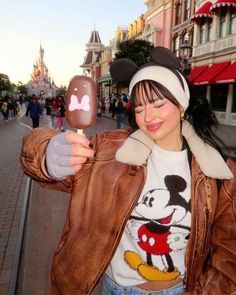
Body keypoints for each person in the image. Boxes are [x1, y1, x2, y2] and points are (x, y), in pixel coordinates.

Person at [20, 46, 235, 295]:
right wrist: (46, 152)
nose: (148, 116)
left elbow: (229, 252)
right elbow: (35, 151)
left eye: (157, 104)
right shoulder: (112, 152)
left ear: (181, 104)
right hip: (113, 288)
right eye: (140, 107)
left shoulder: (218, 173)